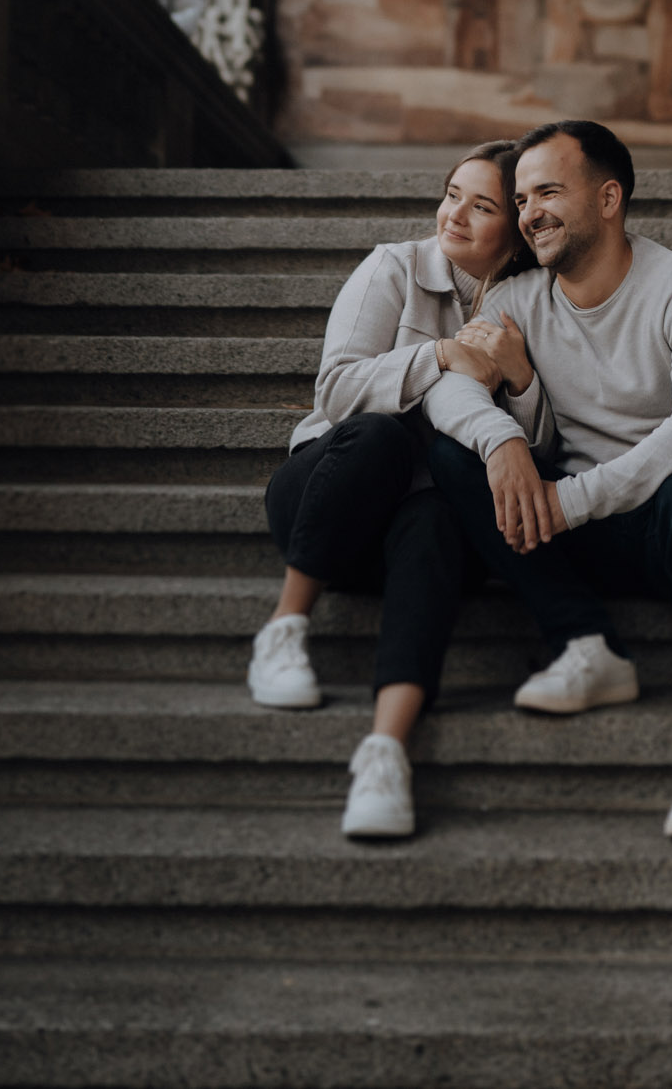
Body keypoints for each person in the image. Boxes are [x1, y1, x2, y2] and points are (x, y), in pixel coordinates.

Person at [424, 119, 672, 845]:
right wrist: (503, 440)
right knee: (453, 449)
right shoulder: (515, 300)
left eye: (549, 191)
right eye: (521, 199)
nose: (529, 213)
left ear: (609, 198)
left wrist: (571, 498)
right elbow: (451, 388)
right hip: (580, 529)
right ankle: (586, 643)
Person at [247, 141, 535, 840]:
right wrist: (438, 355)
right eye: (450, 193)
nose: (455, 214)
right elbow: (336, 390)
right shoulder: (393, 266)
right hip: (328, 493)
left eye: (483, 205)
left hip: (420, 525)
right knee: (384, 438)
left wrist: (518, 379)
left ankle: (385, 753)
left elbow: (547, 446)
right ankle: (285, 630)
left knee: (437, 516)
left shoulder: (534, 304)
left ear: (517, 227)